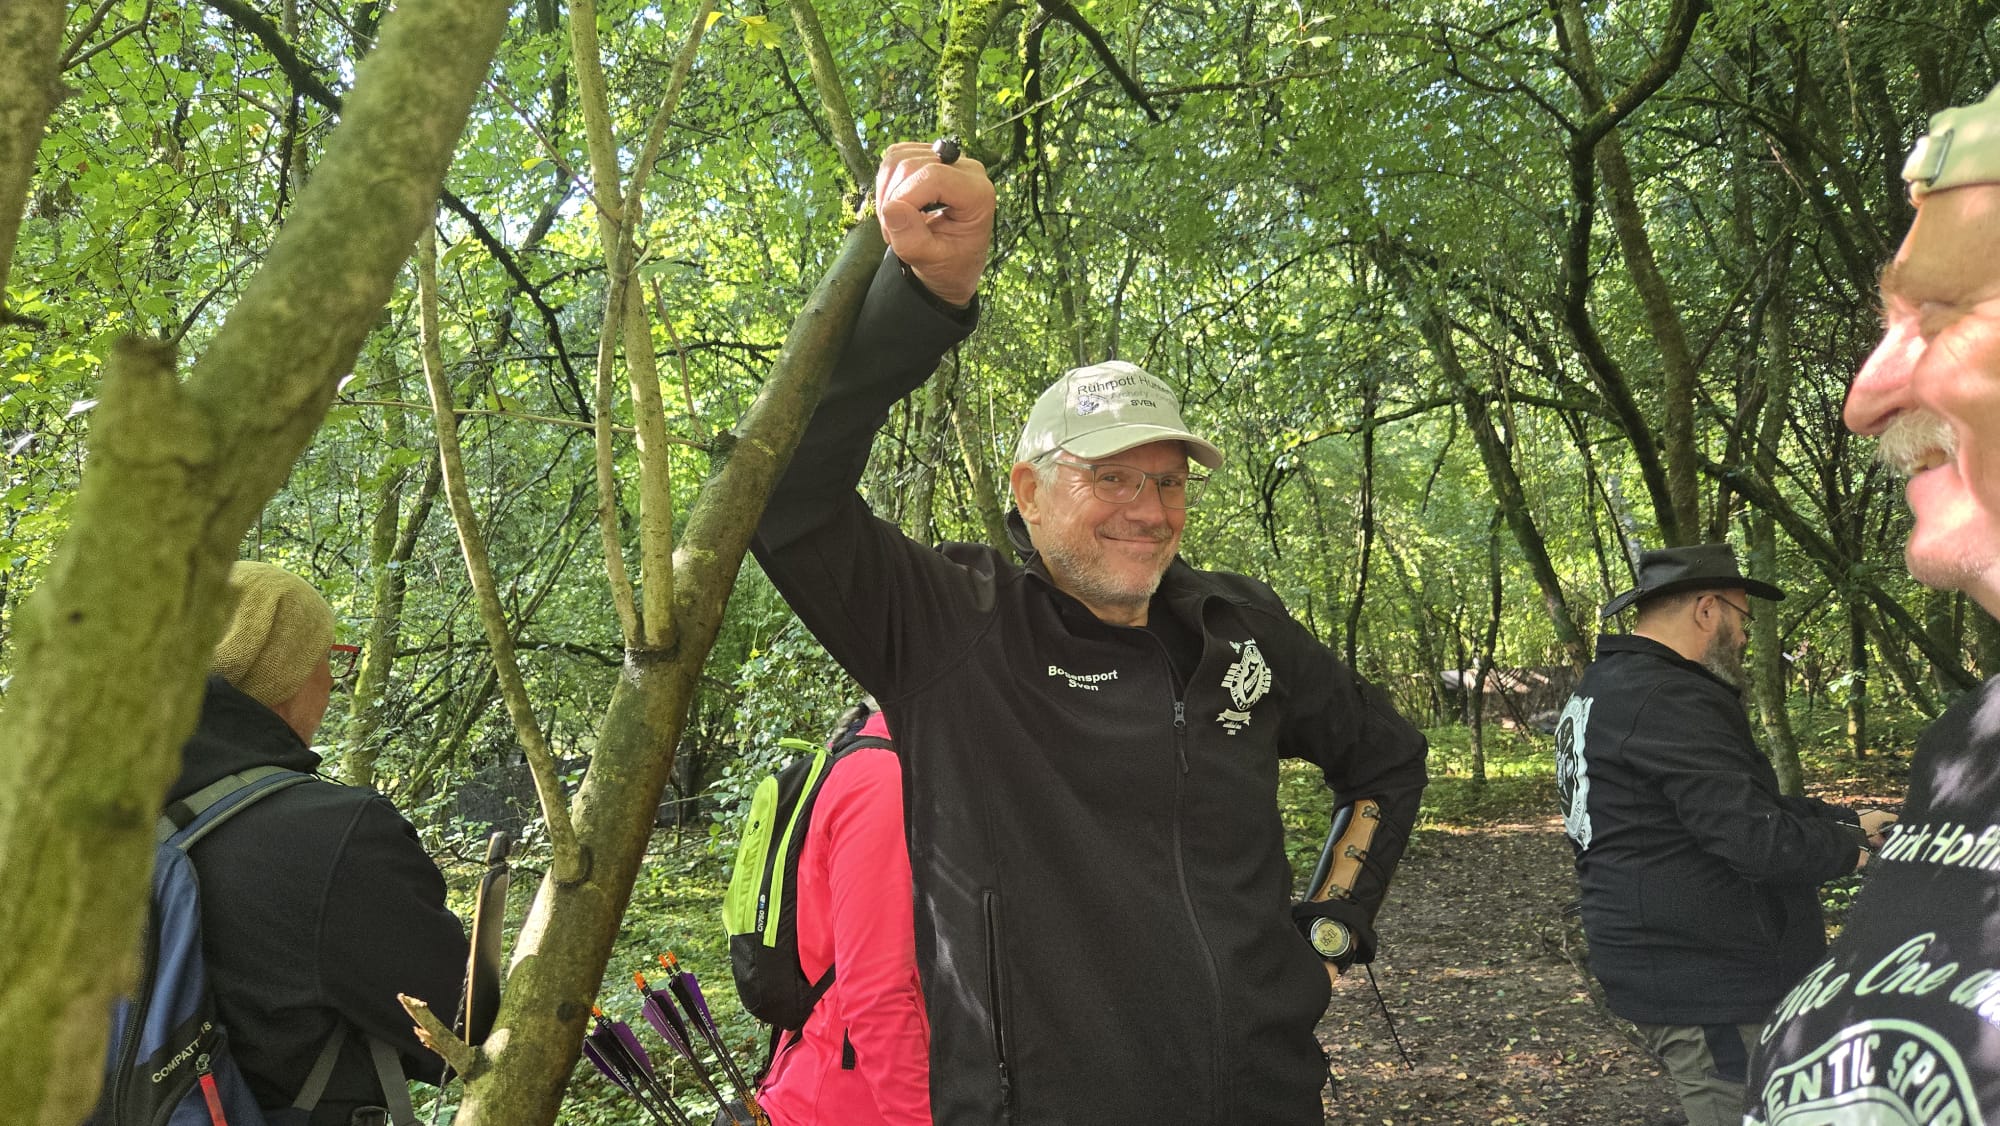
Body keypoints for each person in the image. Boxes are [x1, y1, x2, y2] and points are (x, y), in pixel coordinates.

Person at [751, 142, 1429, 1125]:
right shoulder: (955, 630)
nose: (1148, 509)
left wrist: (1334, 919)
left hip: (1267, 1098)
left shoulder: (1239, 630)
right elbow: (787, 501)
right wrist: (926, 297)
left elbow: (1386, 760)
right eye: (1110, 476)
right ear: (1028, 490)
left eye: (1168, 480)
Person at [1746, 84, 2000, 1123]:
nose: (1863, 400)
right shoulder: (1967, 744)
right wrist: (1839, 839)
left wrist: (1828, 835)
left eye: (1942, 312)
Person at [1553, 543, 1891, 1126]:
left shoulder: (1610, 686)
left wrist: (1844, 821)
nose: (1745, 638)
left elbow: (1730, 805)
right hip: (1710, 983)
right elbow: (1755, 842)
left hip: (1675, 964)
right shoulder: (1669, 697)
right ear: (1707, 609)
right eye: (1743, 619)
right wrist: (1856, 852)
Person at [171, 560, 466, 1124]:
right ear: (282, 675)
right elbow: (465, 1028)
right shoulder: (336, 834)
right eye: (327, 658)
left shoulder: (80, 825)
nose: (332, 682)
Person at [754, 706, 929, 1126]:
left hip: (837, 1085)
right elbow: (876, 996)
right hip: (849, 1100)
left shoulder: (876, 760)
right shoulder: (883, 779)